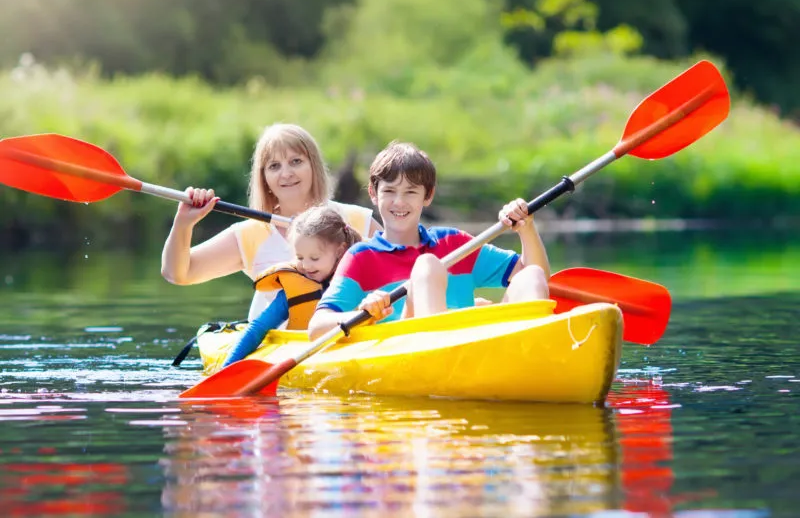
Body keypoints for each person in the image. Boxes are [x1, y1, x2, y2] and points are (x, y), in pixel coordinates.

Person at [308, 141, 550, 340]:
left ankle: (532, 354)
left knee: (531, 275)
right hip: (413, 353)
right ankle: (441, 349)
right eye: (389, 191)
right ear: (373, 193)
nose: (399, 202)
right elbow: (316, 327)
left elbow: (538, 278)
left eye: (410, 192)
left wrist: (526, 228)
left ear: (428, 195)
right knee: (428, 266)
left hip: (473, 351)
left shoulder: (454, 243)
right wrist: (363, 313)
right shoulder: (361, 257)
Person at [160, 124, 381, 321]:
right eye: (274, 166)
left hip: (350, 336)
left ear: (313, 166)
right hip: (277, 347)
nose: (286, 173)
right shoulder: (250, 234)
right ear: (263, 177)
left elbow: (406, 262)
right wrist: (183, 223)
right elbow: (177, 273)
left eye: (296, 161)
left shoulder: (356, 220)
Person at [221, 205, 362, 366]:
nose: (306, 266)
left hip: (355, 349)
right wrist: (227, 367)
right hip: (307, 356)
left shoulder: (359, 279)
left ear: (340, 250)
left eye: (314, 258)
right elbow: (259, 327)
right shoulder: (293, 289)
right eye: (300, 257)